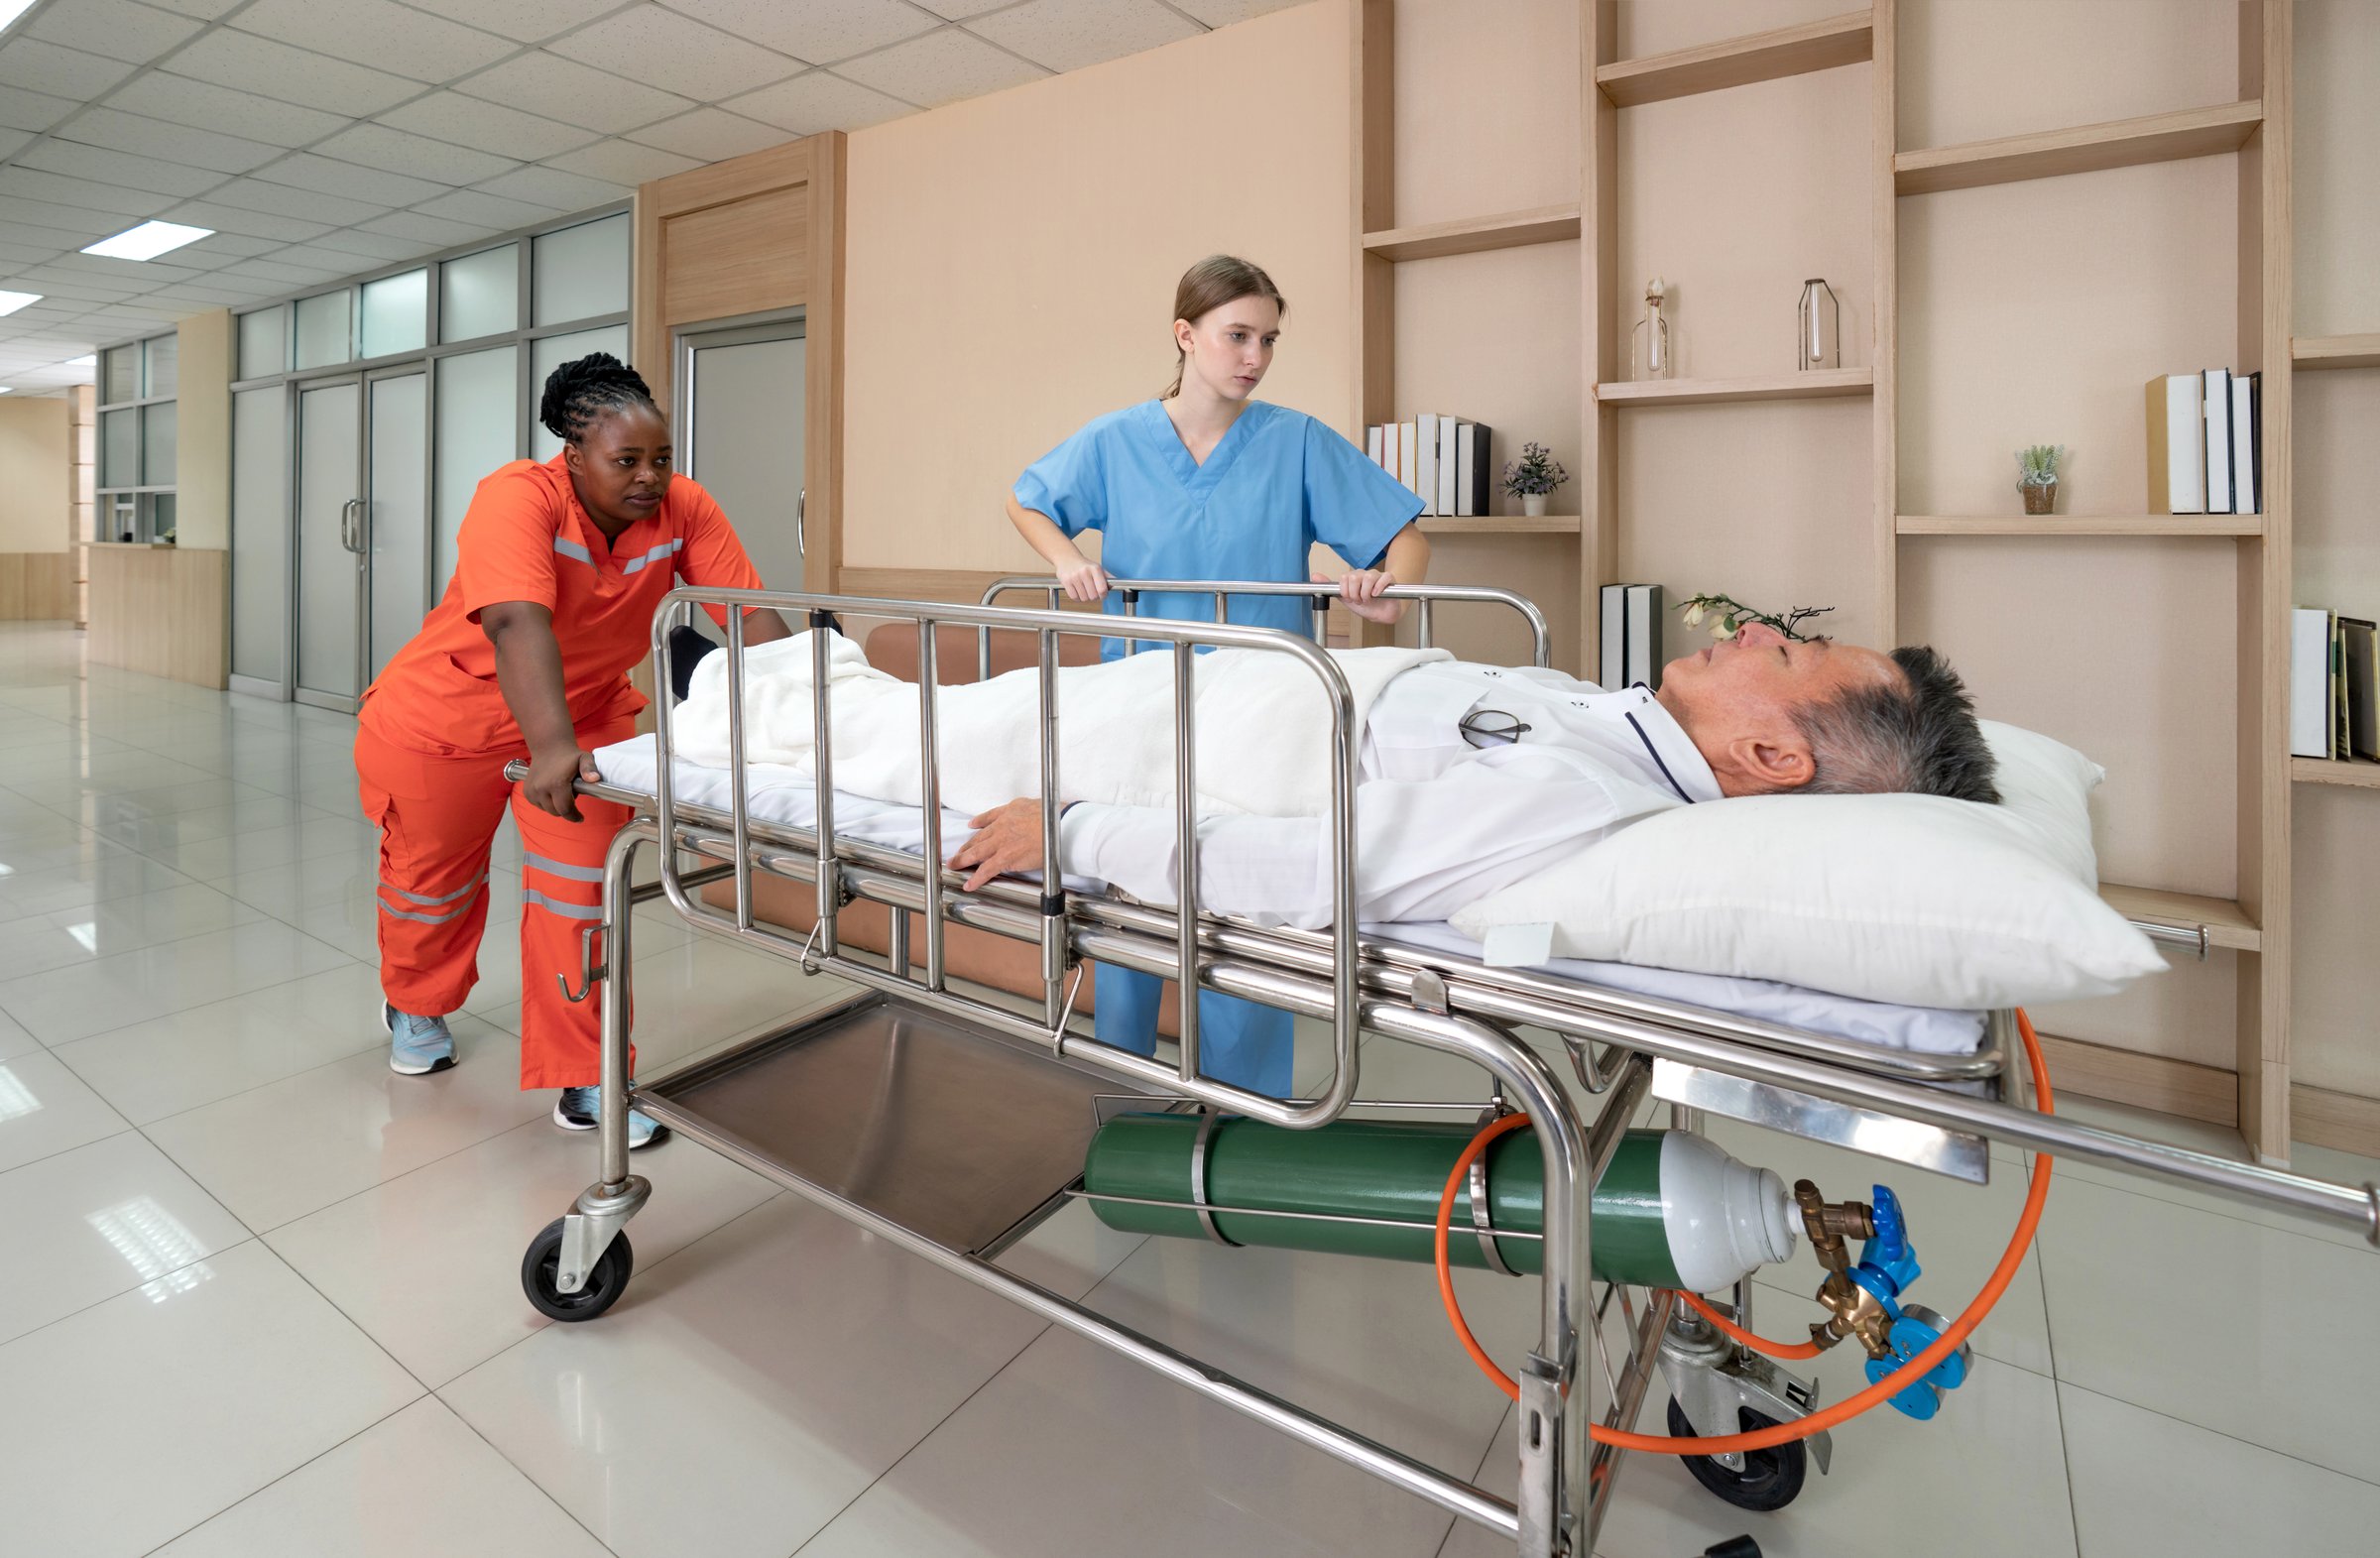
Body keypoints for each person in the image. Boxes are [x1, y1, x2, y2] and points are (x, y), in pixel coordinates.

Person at [1000, 254, 1431, 1099]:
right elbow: (1028, 498)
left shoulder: (1295, 440)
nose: (1255, 357)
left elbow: (1403, 533)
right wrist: (1064, 560)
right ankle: (1124, 1090)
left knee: (1240, 907)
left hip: (1263, 713)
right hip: (1138, 707)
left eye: (1267, 339)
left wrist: (1388, 591)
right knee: (1128, 891)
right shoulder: (1118, 440)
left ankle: (1245, 1111)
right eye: (1238, 336)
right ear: (1185, 335)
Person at [354, 353, 791, 1148]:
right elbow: (518, 621)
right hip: (445, 721)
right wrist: (548, 748)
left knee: (581, 894)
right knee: (432, 887)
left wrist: (812, 697)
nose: (650, 477)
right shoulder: (517, 498)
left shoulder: (684, 508)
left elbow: (745, 613)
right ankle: (415, 1001)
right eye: (627, 460)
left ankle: (587, 1071)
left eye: (661, 458)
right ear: (573, 453)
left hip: (584, 719)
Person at [949, 620, 2002, 928]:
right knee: (873, 712)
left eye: (1783, 654)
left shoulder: (1583, 794)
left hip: (1157, 746)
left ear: (1772, 759)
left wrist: (1073, 831)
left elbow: (1310, 874)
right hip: (1209, 692)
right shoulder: (1618, 730)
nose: (1756, 628)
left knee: (869, 735)